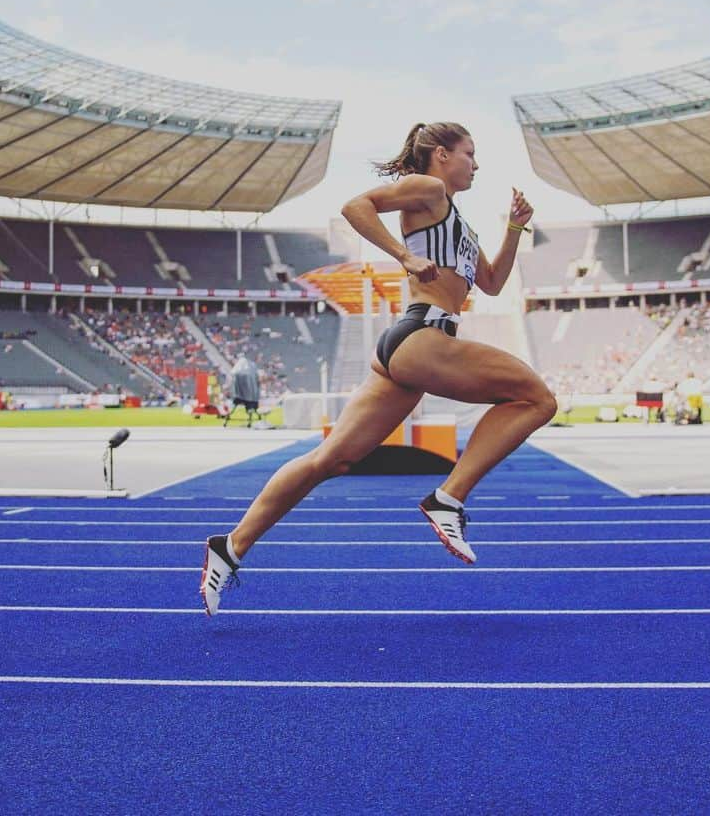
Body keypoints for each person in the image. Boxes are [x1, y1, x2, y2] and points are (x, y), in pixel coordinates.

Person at [199, 121, 554, 616]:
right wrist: (404, 255)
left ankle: (230, 547)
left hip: (404, 350)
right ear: (441, 155)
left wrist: (514, 229)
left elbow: (492, 283)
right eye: (470, 153)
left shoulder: (461, 226)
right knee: (537, 400)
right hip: (423, 336)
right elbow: (355, 207)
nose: (477, 164)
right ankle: (448, 499)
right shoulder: (429, 190)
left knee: (331, 460)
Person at [225, 353, 261, 427]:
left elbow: (233, 374)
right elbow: (257, 379)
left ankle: (226, 420)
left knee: (235, 405)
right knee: (250, 407)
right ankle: (250, 421)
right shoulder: (252, 367)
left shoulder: (239, 367)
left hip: (240, 394)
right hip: (250, 395)